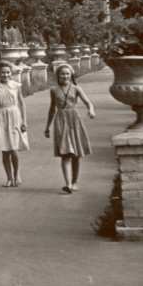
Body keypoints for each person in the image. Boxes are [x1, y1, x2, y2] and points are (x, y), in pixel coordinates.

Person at [44, 63, 96, 193]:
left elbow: (88, 102)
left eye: (67, 73)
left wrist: (91, 110)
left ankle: (75, 182)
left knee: (76, 154)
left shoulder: (76, 88)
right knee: (65, 154)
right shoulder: (54, 90)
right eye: (62, 74)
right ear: (58, 76)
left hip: (74, 120)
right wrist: (47, 127)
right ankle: (67, 184)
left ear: (71, 74)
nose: (65, 76)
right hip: (61, 120)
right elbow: (52, 109)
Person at [0, 62, 28, 187]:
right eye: (3, 72)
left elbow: (21, 103)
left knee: (14, 149)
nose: (5, 74)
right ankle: (9, 178)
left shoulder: (16, 85)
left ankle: (17, 175)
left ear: (11, 73)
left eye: (8, 72)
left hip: (14, 116)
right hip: (1, 117)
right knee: (5, 149)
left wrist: (24, 121)